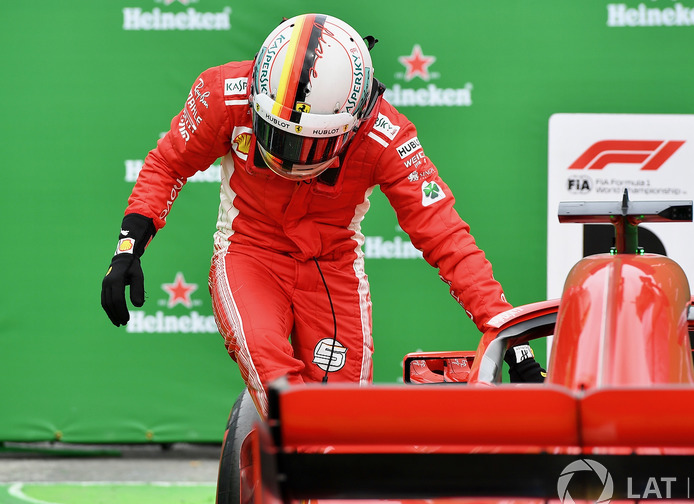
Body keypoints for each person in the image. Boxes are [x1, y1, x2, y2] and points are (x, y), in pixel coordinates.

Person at [101, 13, 545, 418]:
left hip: (332, 269)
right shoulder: (224, 92)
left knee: (342, 419)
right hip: (249, 253)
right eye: (275, 134)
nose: (288, 157)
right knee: (278, 386)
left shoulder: (385, 137)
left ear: (351, 125)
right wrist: (128, 248)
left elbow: (446, 237)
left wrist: (507, 335)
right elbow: (168, 163)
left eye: (307, 144)